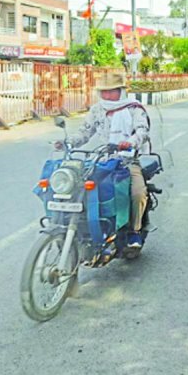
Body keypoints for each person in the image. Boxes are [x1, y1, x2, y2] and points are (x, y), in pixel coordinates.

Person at [64, 70, 150, 251]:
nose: (107, 95)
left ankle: (134, 230)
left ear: (121, 91)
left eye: (111, 91)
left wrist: (130, 142)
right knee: (77, 186)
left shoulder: (134, 108)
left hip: (127, 161)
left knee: (138, 193)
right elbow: (85, 132)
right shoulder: (97, 109)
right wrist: (68, 142)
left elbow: (142, 131)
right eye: (104, 91)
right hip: (103, 160)